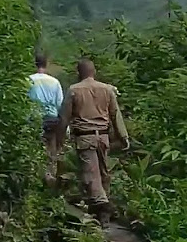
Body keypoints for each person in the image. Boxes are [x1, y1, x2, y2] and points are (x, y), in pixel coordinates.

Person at [57, 58, 129, 226]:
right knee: (103, 174)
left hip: (85, 137)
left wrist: (59, 139)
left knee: (91, 176)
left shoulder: (74, 90)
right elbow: (115, 115)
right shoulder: (107, 90)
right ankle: (104, 216)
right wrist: (123, 137)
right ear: (94, 71)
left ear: (79, 73)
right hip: (103, 137)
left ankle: (103, 208)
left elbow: (64, 118)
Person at [28, 54, 64, 184]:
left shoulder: (29, 80)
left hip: (34, 118)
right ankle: (50, 174)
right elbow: (59, 102)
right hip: (51, 118)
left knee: (34, 145)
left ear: (35, 64)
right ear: (46, 64)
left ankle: (34, 174)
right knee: (51, 146)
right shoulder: (54, 82)